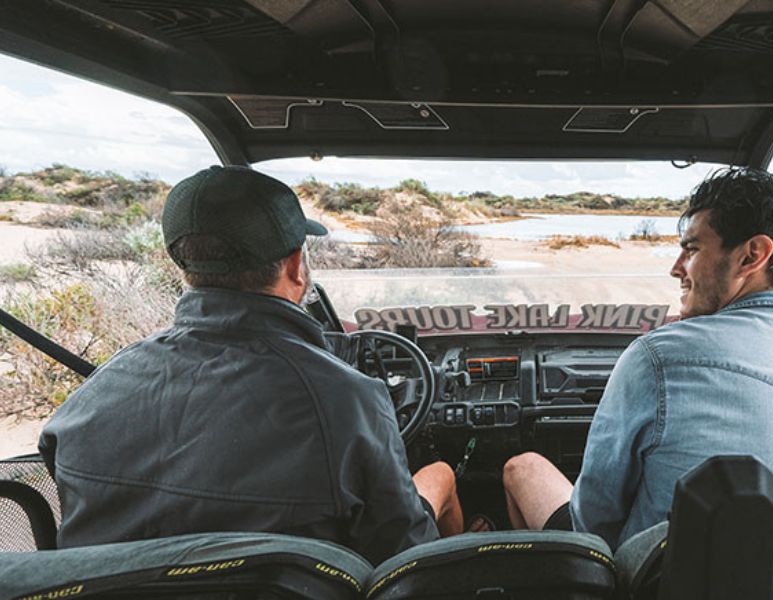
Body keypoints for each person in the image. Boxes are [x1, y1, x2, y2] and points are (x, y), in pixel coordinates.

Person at [39, 165, 462, 565]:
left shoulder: (91, 396)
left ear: (185, 265)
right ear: (296, 266)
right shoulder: (345, 400)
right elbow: (402, 552)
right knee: (439, 475)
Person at [502, 168, 773, 549]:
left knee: (524, 468)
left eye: (691, 249)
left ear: (751, 256)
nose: (676, 269)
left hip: (650, 586)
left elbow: (593, 523)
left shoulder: (659, 359)